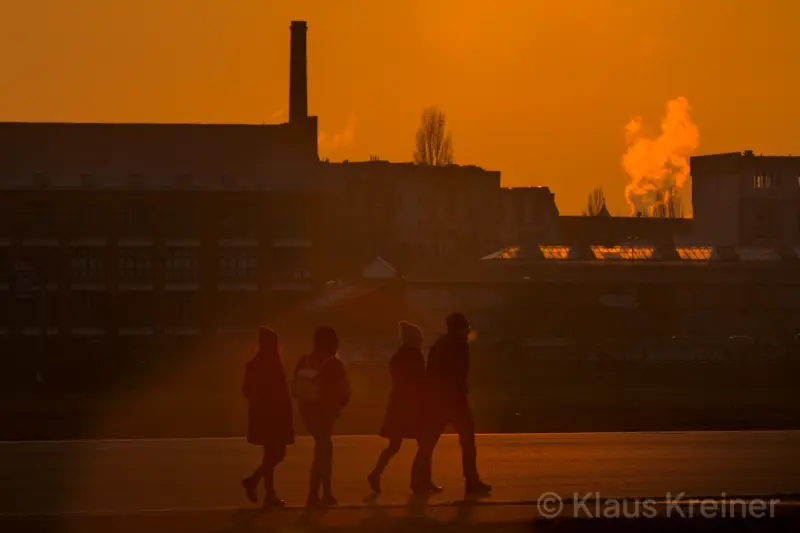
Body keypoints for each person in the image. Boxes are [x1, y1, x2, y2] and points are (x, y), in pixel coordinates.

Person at [414, 312, 492, 495]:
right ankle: (471, 481)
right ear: (459, 329)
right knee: (467, 442)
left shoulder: (441, 345)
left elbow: (431, 373)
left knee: (428, 443)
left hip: (440, 401)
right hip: (454, 401)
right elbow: (457, 375)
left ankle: (418, 481)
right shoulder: (458, 346)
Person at [368, 322, 442, 494]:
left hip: (397, 406)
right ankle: (423, 480)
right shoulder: (414, 356)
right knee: (425, 444)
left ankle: (376, 473)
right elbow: (420, 382)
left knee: (394, 445)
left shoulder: (398, 356)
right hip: (413, 408)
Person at [292, 326, 350, 507]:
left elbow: (294, 387)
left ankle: (324, 493)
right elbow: (343, 389)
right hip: (325, 413)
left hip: (307, 412)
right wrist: (338, 407)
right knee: (323, 450)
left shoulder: (305, 360)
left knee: (323, 448)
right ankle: (315, 494)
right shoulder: (333, 363)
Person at [241, 327, 294, 508]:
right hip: (275, 415)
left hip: (262, 415)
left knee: (270, 454)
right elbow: (281, 392)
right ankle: (260, 486)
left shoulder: (254, 363)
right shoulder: (272, 363)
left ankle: (263, 489)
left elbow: (246, 390)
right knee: (277, 453)